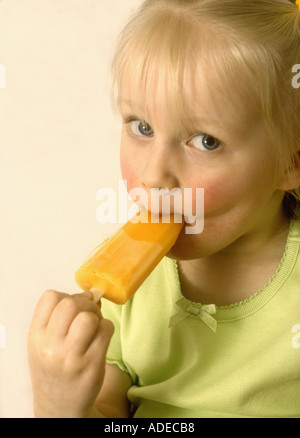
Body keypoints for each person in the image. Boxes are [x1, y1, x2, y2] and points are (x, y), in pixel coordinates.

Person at [28, 0, 300, 418]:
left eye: (206, 141)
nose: (154, 176)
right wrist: (59, 403)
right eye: (142, 127)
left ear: (290, 161)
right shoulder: (124, 295)